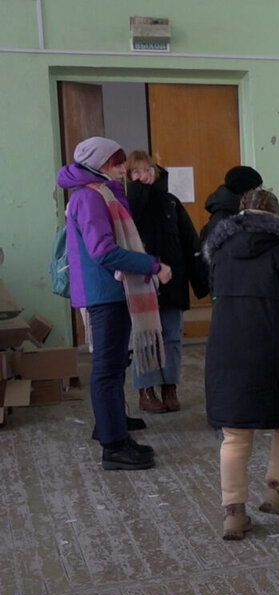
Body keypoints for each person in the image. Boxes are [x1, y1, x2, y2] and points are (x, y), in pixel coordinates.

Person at [203, 188, 279, 540]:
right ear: (278, 216)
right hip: (278, 350)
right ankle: (277, 492)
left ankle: (233, 513)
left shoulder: (221, 252)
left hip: (228, 350)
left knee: (235, 436)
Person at [57, 136, 171, 471]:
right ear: (101, 164)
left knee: (113, 365)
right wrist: (152, 266)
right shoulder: (90, 198)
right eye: (117, 163)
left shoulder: (99, 193)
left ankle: (115, 430)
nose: (123, 169)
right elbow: (104, 251)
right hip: (104, 293)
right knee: (107, 371)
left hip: (107, 291)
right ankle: (113, 446)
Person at [126, 151, 210, 413]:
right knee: (144, 337)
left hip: (172, 280)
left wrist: (201, 283)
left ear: (157, 172)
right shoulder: (127, 204)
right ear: (129, 177)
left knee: (172, 337)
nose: (144, 176)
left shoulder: (171, 203)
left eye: (148, 170)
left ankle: (169, 387)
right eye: (136, 172)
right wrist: (139, 194)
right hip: (140, 282)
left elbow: (190, 242)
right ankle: (145, 390)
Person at [200, 165, 262, 244]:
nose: (261, 193)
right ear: (246, 191)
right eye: (258, 189)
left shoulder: (233, 211)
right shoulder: (224, 219)